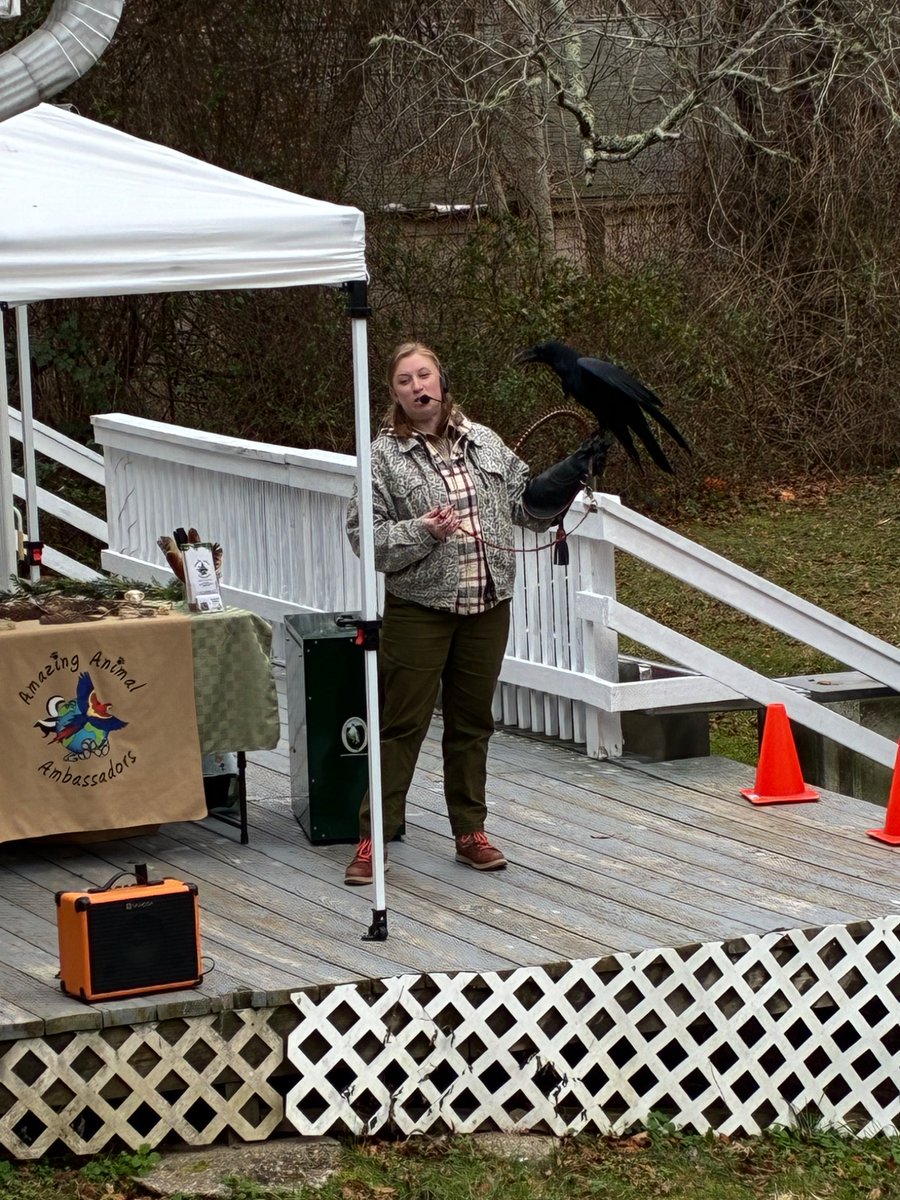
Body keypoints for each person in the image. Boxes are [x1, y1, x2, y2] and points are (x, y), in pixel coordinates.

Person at [344, 340, 610, 886]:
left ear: (441, 381)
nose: (418, 387)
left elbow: (528, 508)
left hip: (488, 605)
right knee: (401, 726)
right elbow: (365, 540)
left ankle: (470, 832)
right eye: (405, 381)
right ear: (393, 393)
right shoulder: (381, 459)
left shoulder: (484, 442)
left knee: (472, 725)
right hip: (421, 609)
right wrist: (424, 531)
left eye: (425, 375)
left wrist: (572, 471)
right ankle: (375, 837)